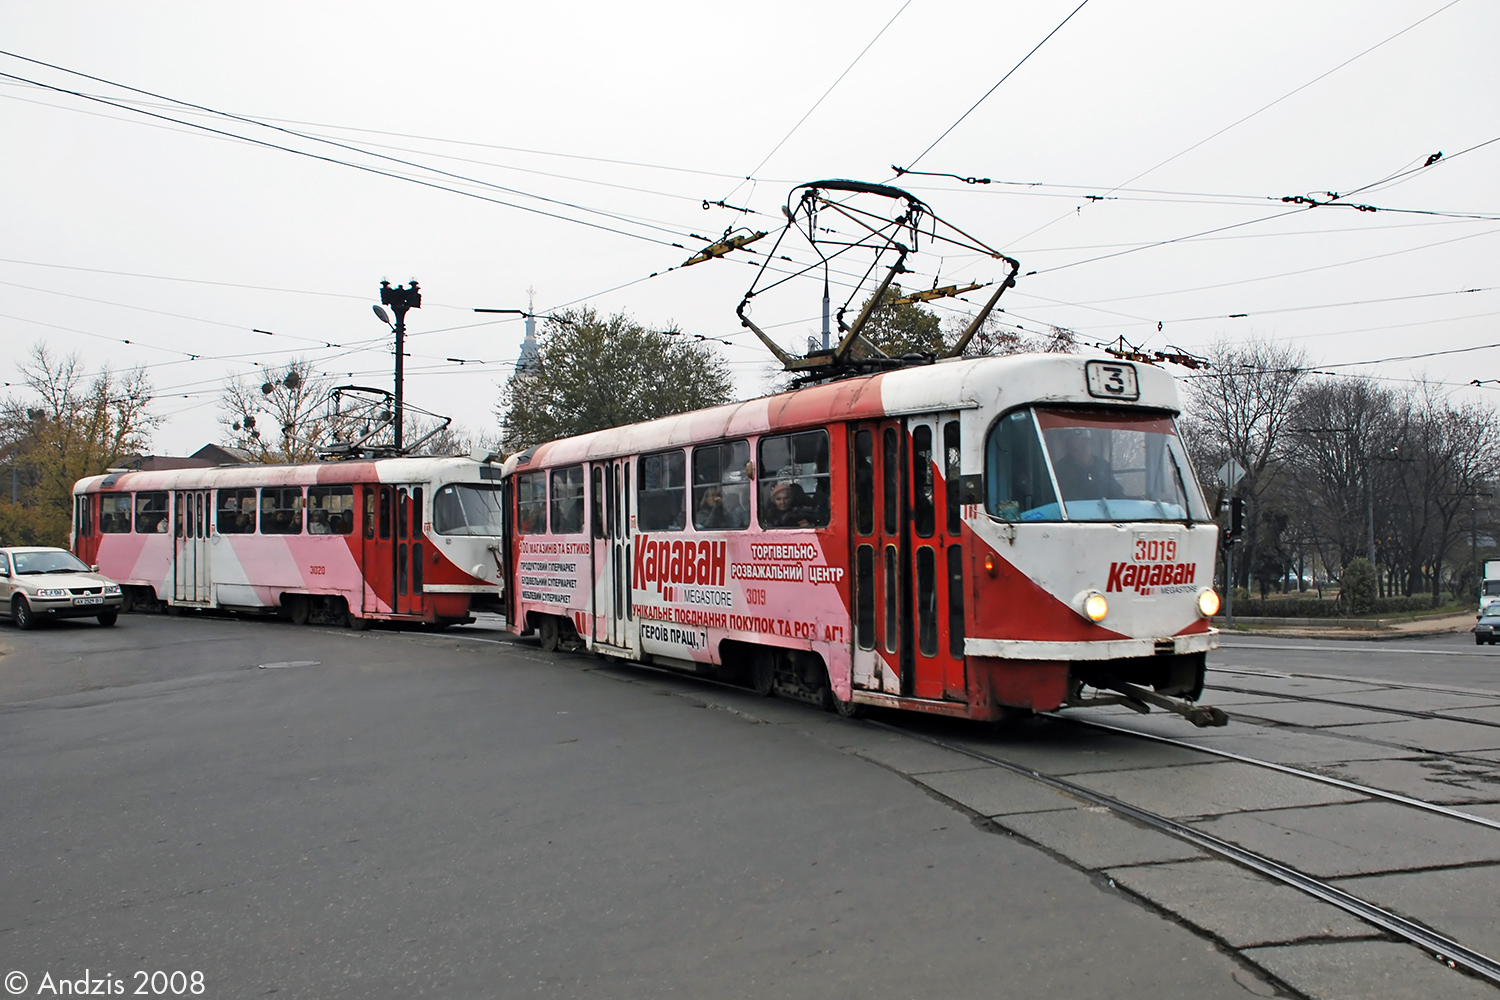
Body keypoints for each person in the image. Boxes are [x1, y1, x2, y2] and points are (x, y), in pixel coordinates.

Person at [1050, 428, 1123, 501]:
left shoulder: (1102, 465)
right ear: (1069, 446)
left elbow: (1116, 492)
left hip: (1104, 509)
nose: (1084, 445)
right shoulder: (1060, 469)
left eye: (1085, 441)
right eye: (1078, 442)